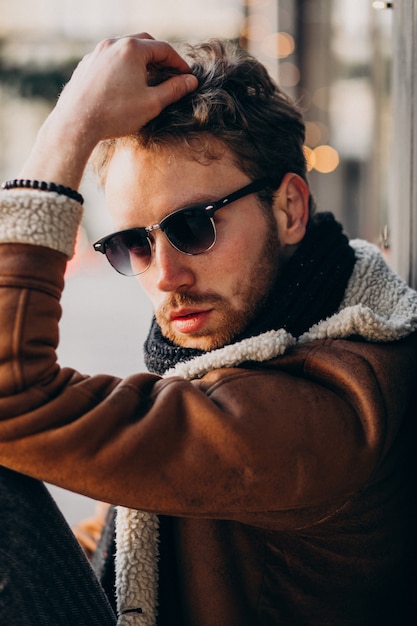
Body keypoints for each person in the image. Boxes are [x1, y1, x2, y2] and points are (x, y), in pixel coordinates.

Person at [0, 33, 416, 626]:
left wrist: (69, 128)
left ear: (290, 210)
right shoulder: (258, 353)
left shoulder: (322, 412)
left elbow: (10, 395)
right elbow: (127, 531)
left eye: (194, 226)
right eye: (134, 243)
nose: (167, 275)